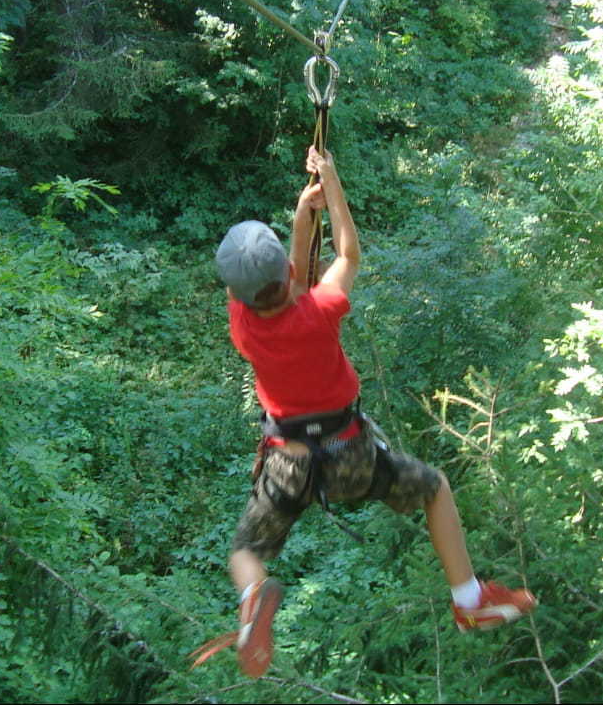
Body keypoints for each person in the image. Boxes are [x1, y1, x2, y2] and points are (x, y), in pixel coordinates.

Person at [206, 145, 535, 679]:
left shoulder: (243, 327)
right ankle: (468, 596)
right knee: (433, 487)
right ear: (287, 273)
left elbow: (288, 285)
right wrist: (330, 186)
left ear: (235, 294)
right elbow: (348, 254)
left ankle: (254, 594)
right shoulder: (321, 311)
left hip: (287, 463)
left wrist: (300, 216)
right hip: (350, 452)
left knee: (246, 551)